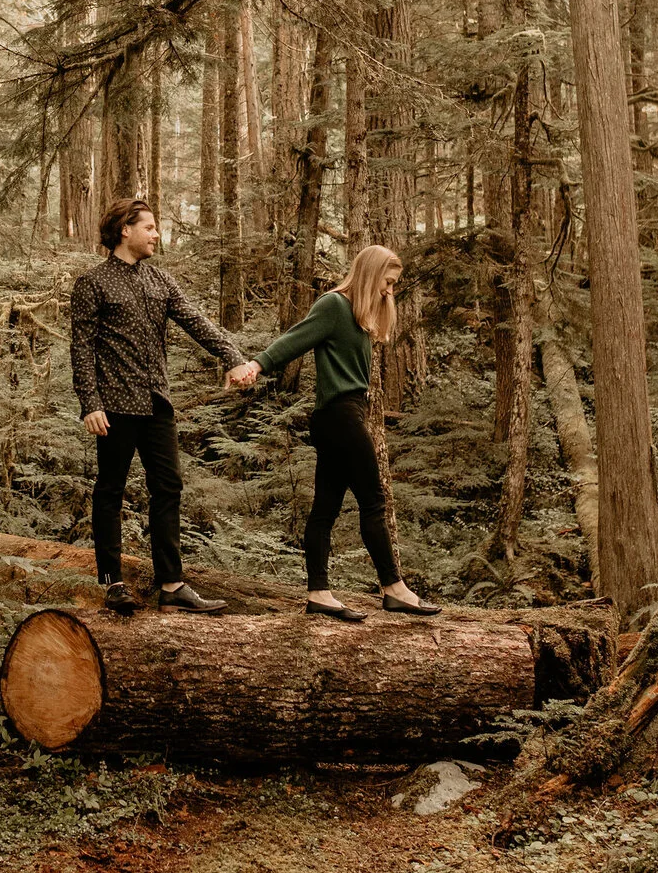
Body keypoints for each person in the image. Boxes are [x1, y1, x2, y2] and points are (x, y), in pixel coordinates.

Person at [69, 198, 257, 615]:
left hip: (156, 404)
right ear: (125, 230)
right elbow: (81, 348)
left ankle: (171, 584)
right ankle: (112, 582)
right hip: (113, 406)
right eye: (150, 227)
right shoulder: (93, 283)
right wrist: (90, 403)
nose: (156, 235)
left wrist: (233, 357)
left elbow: (196, 321)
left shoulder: (161, 282)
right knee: (111, 491)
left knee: (168, 488)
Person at [252, 244, 441, 622]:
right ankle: (394, 589)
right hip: (339, 416)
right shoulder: (333, 306)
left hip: (345, 414)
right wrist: (258, 364)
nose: (390, 291)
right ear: (371, 275)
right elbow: (294, 339)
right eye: (387, 283)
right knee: (373, 500)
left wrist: (384, 305)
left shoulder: (357, 315)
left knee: (325, 508)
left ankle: (319, 594)